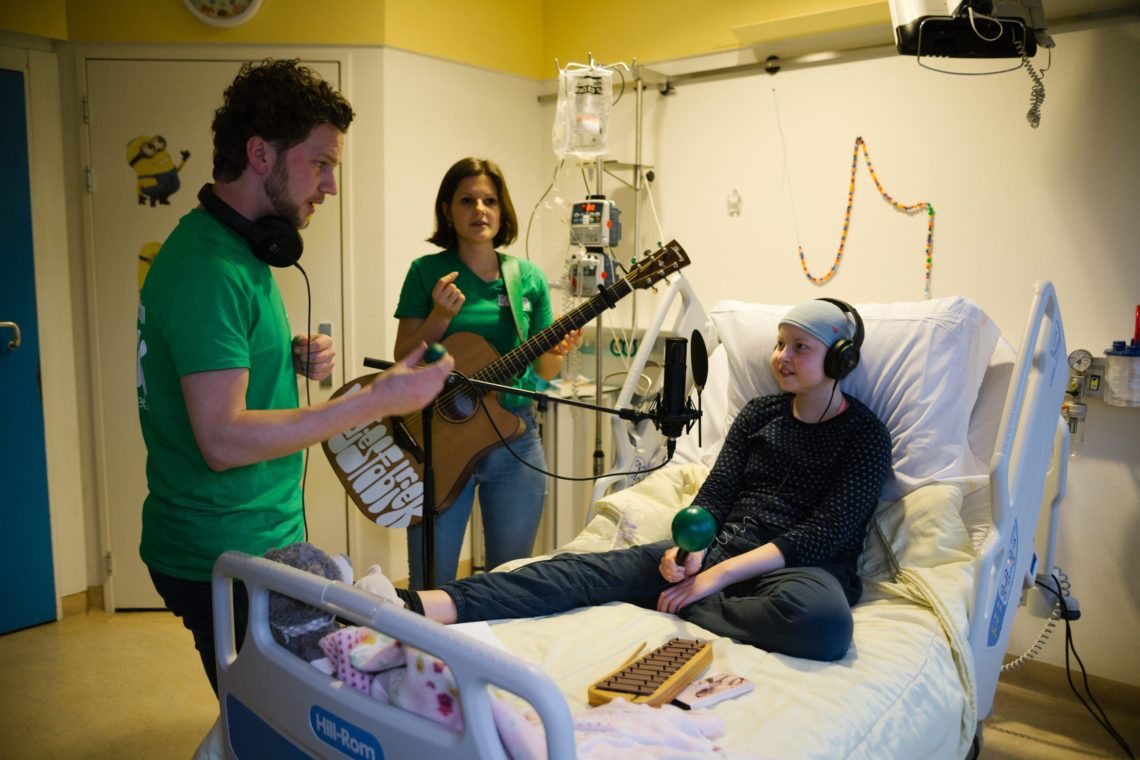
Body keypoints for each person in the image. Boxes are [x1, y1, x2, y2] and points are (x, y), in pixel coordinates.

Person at [136, 59, 454, 694]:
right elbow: (223, 440)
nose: (331, 185)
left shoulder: (237, 254)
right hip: (223, 546)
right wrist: (375, 400)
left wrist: (284, 353)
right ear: (261, 153)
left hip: (252, 532)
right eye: (321, 162)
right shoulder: (210, 271)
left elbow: (212, 365)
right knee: (274, 717)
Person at [383, 298, 893, 661]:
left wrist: (710, 580)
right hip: (722, 550)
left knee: (825, 627)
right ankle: (429, 604)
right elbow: (715, 494)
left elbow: (823, 533)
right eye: (780, 344)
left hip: (796, 571)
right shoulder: (760, 414)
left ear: (839, 357)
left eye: (799, 347)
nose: (781, 358)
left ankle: (689, 603)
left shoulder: (865, 436)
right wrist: (690, 553)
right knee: (586, 571)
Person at [393, 157, 580, 589]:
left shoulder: (526, 277)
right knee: (431, 581)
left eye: (490, 201)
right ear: (447, 210)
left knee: (509, 579)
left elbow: (544, 368)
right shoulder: (426, 272)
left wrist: (559, 349)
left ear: (502, 210)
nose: (480, 210)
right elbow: (403, 358)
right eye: (467, 200)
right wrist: (440, 315)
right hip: (441, 440)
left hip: (514, 438)